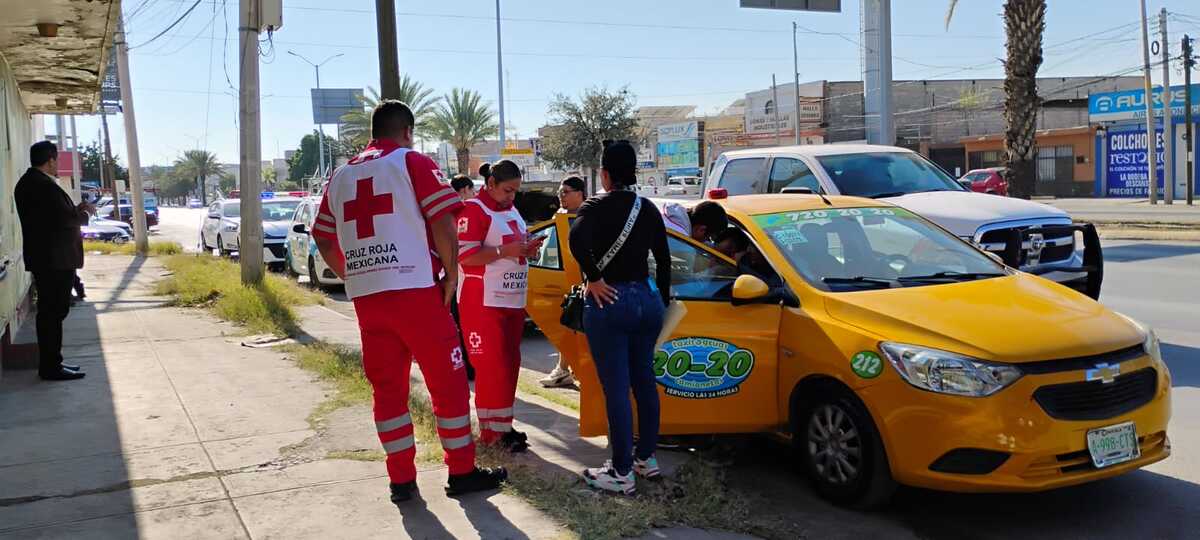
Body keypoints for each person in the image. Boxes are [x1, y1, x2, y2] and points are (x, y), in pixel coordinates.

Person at [312, 101, 506, 505]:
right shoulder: (410, 161)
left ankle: (401, 481)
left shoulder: (341, 174)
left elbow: (324, 237)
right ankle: (461, 471)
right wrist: (452, 275)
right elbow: (442, 221)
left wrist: (352, 275)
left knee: (388, 390)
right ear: (407, 131)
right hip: (416, 290)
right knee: (448, 383)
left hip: (369, 300)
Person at [568, 140, 671, 495]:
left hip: (610, 301)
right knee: (645, 381)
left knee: (616, 389)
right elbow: (665, 258)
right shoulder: (648, 208)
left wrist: (594, 278)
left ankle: (622, 471)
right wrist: (664, 300)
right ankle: (647, 459)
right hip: (647, 300)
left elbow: (576, 241)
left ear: (605, 174)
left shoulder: (595, 205)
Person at [457, 160, 544, 452]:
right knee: (491, 366)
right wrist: (505, 251)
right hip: (483, 301)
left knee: (509, 364)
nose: (512, 196)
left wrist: (528, 246)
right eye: (507, 190)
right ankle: (490, 432)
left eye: (515, 191)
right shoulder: (473, 210)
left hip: (512, 299)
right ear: (490, 184)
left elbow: (514, 243)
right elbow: (466, 256)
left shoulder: (511, 209)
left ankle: (504, 427)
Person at [14, 141, 89, 381]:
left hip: (48, 259)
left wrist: (74, 210)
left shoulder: (32, 183)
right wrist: (84, 213)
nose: (57, 165)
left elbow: (55, 216)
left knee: (52, 313)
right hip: (53, 260)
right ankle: (51, 366)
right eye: (56, 160)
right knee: (52, 313)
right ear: (50, 160)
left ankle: (54, 362)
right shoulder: (42, 185)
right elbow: (63, 220)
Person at [539, 175, 588, 389]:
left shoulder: (588, 216)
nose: (561, 196)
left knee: (577, 329)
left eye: (566, 192)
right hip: (559, 281)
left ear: (580, 194)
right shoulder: (560, 217)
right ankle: (565, 369)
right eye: (560, 192)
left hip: (585, 283)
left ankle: (572, 371)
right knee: (566, 327)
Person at [448, 174, 478, 381]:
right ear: (465, 189)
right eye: (473, 190)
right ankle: (470, 366)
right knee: (467, 323)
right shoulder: (467, 211)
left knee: (458, 324)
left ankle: (462, 365)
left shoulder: (446, 211)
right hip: (465, 276)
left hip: (451, 275)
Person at [661, 199, 728, 244]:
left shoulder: (669, 215)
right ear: (702, 230)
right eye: (708, 238)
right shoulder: (681, 242)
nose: (706, 242)